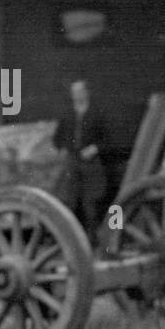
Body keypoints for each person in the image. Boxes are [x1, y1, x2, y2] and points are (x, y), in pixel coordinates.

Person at [52, 79, 110, 240]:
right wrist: (62, 148)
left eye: (79, 91)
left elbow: (107, 139)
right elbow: (57, 138)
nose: (76, 95)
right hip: (72, 161)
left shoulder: (96, 113)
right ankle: (71, 241)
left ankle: (92, 240)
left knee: (90, 203)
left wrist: (94, 148)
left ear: (86, 92)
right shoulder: (68, 114)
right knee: (69, 201)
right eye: (74, 92)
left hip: (91, 163)